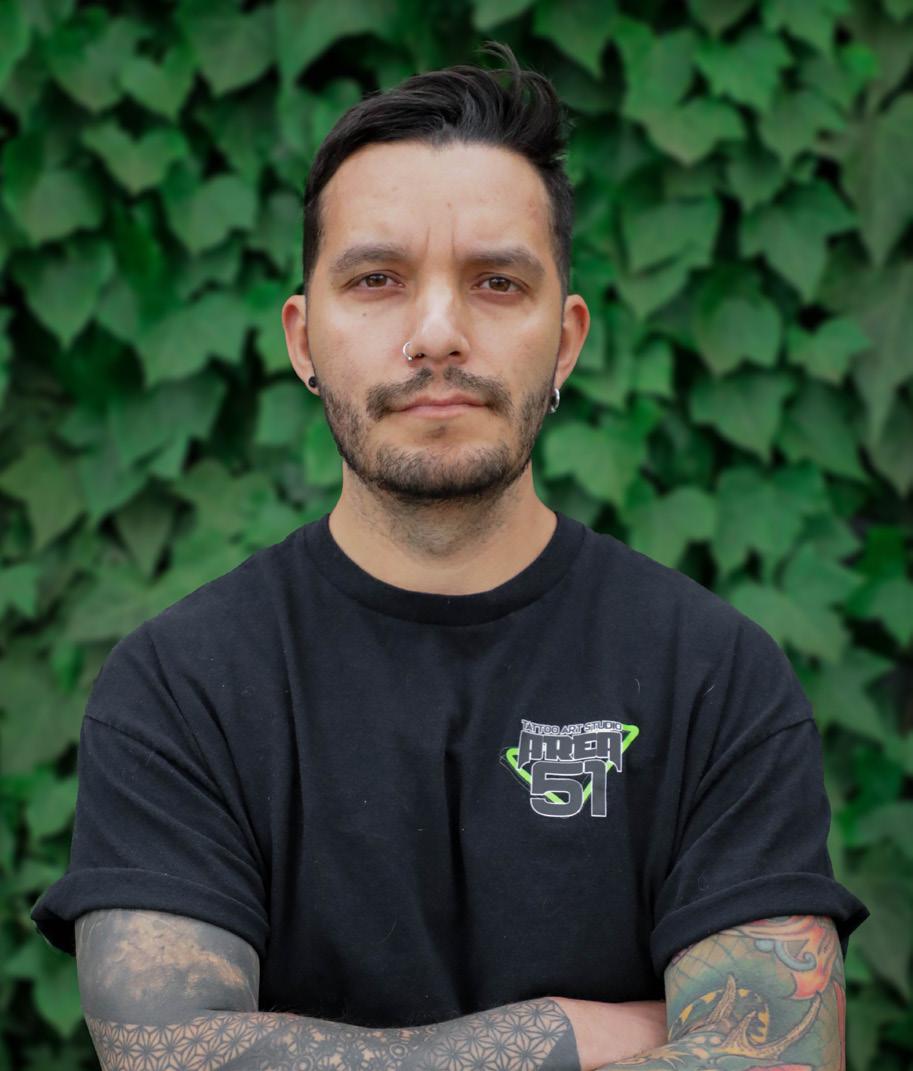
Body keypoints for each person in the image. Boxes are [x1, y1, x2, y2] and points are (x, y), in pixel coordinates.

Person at [31, 41, 867, 1071]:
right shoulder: (180, 687)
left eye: (497, 283)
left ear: (566, 342)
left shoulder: (713, 677)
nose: (436, 333)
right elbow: (169, 1058)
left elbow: (781, 1058)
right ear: (302, 338)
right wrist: (573, 1032)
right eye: (376, 280)